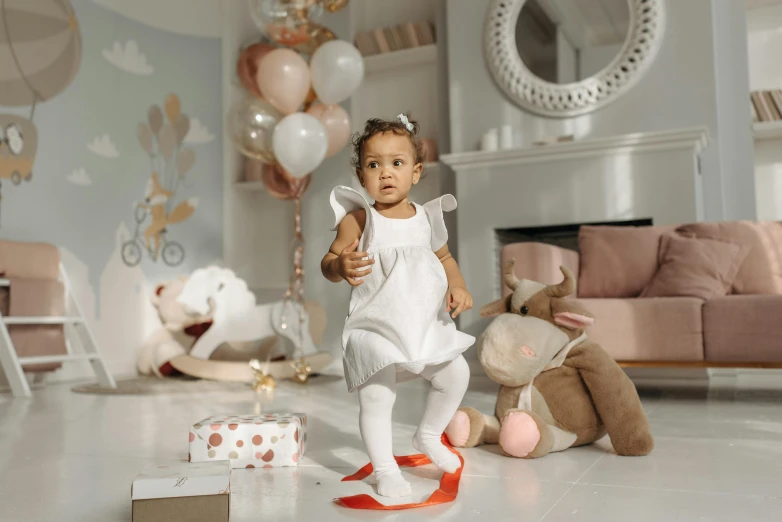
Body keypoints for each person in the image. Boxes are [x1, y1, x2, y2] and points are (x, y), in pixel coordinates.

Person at [321, 114, 475, 497]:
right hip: (376, 327)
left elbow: (445, 258)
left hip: (423, 324)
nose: (386, 173)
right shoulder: (360, 220)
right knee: (378, 397)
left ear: (416, 171)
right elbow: (328, 263)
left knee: (455, 374)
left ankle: (428, 435)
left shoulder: (426, 218)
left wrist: (457, 284)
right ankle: (386, 469)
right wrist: (339, 264)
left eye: (397, 163)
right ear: (361, 176)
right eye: (374, 165)